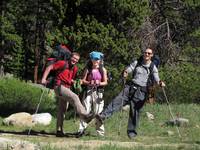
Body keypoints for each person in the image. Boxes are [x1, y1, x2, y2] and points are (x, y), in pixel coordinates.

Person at [96, 48, 165, 139]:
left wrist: (160, 82)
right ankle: (102, 116)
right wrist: (126, 72)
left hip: (142, 91)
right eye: (145, 53)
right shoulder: (137, 62)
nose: (147, 54)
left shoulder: (153, 67)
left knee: (134, 112)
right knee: (117, 101)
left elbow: (156, 78)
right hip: (130, 87)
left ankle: (131, 134)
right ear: (143, 53)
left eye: (149, 53)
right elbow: (130, 68)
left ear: (151, 55)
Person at [41, 52, 93, 137]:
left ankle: (59, 131)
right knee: (75, 97)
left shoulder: (74, 68)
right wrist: (43, 79)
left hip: (66, 88)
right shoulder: (62, 63)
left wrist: (75, 82)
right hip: (59, 86)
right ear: (70, 57)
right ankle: (85, 115)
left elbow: (69, 79)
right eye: (73, 58)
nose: (74, 60)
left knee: (62, 110)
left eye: (76, 60)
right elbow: (50, 67)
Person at [77, 51, 108, 137]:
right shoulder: (88, 69)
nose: (96, 60)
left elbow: (105, 82)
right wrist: (89, 82)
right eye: (95, 59)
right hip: (88, 92)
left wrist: (99, 83)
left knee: (98, 112)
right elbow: (83, 80)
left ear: (100, 59)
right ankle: (81, 130)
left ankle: (100, 133)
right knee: (85, 110)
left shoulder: (103, 69)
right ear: (91, 59)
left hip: (99, 92)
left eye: (98, 59)